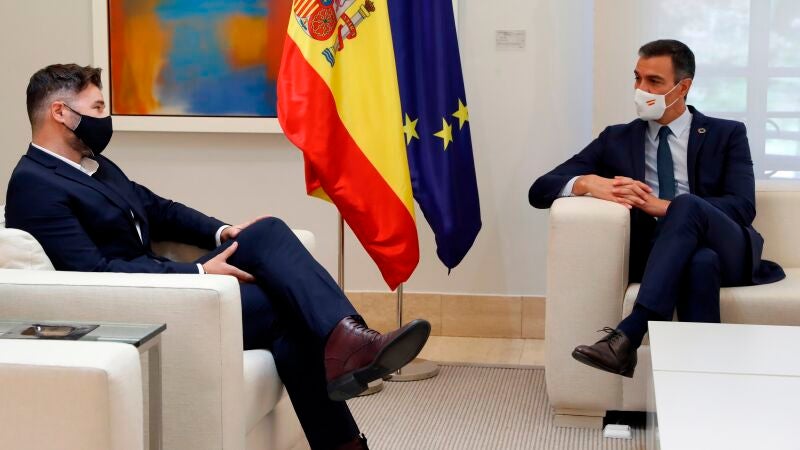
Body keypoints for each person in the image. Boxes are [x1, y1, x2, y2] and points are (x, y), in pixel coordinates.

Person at [5, 63, 432, 450]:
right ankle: (347, 376)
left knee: (266, 232)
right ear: (60, 113)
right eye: (97, 108)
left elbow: (158, 209)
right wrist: (196, 271)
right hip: (142, 306)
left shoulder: (94, 165)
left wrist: (223, 231)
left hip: (167, 285)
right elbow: (94, 273)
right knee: (287, 312)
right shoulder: (34, 183)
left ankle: (348, 343)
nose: (105, 118)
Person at [528, 40, 784, 378]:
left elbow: (742, 207)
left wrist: (666, 207)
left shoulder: (727, 134)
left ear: (683, 87)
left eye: (654, 81)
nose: (641, 89)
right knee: (699, 262)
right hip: (659, 253)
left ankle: (631, 331)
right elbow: (539, 189)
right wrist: (588, 183)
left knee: (686, 205)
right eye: (637, 78)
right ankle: (706, 383)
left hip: (729, 249)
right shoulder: (617, 139)